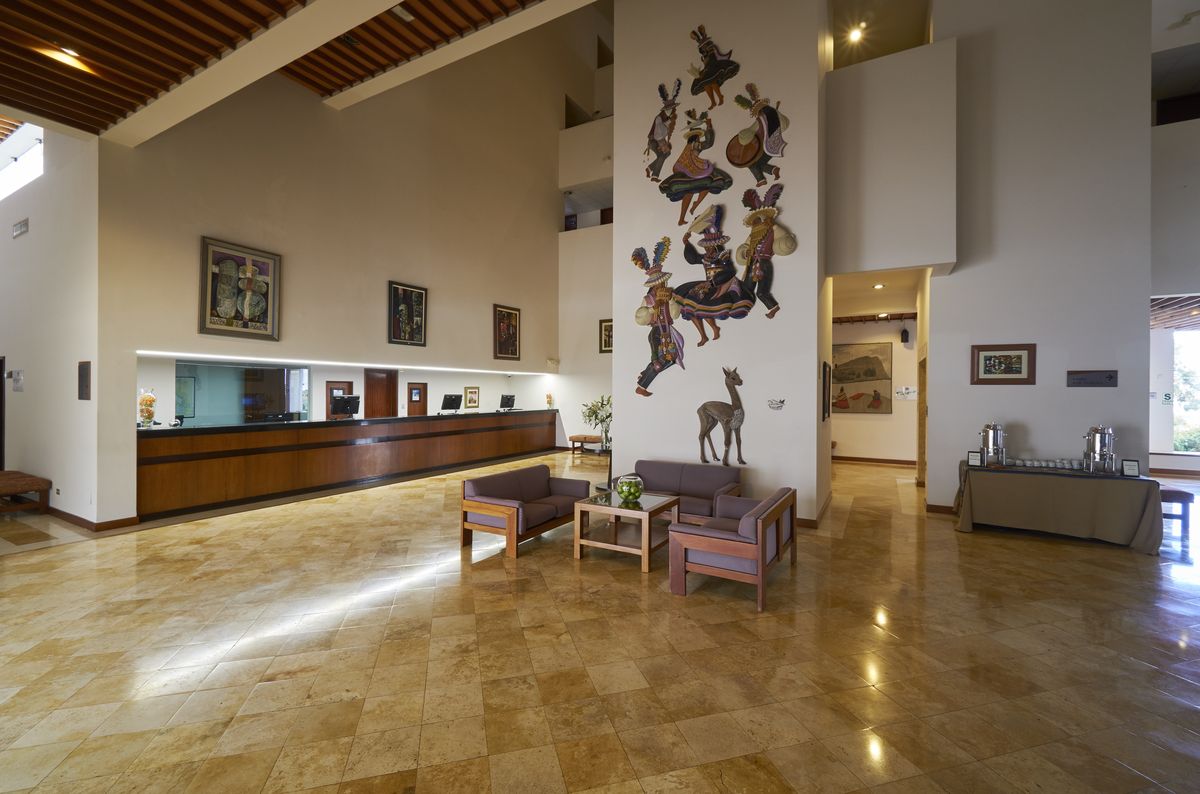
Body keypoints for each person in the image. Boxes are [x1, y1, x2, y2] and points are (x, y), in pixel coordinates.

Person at [673, 204, 754, 346]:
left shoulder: (722, 256)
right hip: (708, 285)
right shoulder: (705, 258)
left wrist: (713, 282)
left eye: (710, 247)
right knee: (690, 306)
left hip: (721, 285)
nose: (708, 250)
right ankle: (704, 335)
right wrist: (686, 244)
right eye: (706, 247)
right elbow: (692, 259)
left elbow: (730, 271)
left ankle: (714, 328)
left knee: (703, 306)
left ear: (716, 246)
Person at [659, 110, 733, 226]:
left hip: (693, 170)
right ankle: (684, 215)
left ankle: (694, 206)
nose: (699, 139)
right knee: (697, 187)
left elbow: (708, 143)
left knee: (704, 185)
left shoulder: (696, 146)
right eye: (697, 137)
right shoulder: (691, 146)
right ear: (694, 138)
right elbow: (687, 159)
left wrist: (709, 127)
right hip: (684, 170)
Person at [632, 238, 685, 396]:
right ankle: (641, 387)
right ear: (653, 286)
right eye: (657, 285)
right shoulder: (648, 300)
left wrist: (672, 301)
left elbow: (675, 314)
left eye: (662, 283)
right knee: (657, 363)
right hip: (656, 332)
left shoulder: (670, 297)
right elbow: (640, 318)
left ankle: (645, 374)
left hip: (668, 332)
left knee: (672, 359)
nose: (660, 287)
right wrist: (652, 309)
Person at [737, 185, 796, 318]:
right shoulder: (753, 235)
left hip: (764, 263)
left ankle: (773, 307)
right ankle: (745, 307)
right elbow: (745, 246)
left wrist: (774, 226)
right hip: (752, 263)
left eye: (759, 220)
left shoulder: (772, 230)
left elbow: (784, 237)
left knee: (762, 292)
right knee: (746, 288)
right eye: (756, 221)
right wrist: (745, 253)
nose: (757, 223)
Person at [728, 83, 788, 186]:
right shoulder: (764, 117)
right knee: (753, 163)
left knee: (752, 163)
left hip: (770, 144)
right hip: (768, 144)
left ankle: (765, 176)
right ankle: (771, 171)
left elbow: (750, 133)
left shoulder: (764, 117)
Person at [687, 25, 740, 109]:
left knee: (711, 80)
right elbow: (706, 61)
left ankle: (720, 96)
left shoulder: (710, 49)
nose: (703, 49)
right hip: (708, 68)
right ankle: (713, 101)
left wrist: (706, 59)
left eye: (704, 47)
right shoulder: (704, 53)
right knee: (705, 83)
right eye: (702, 48)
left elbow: (711, 58)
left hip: (713, 65)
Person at [645, 79, 680, 182]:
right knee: (664, 154)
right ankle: (654, 174)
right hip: (653, 141)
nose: (671, 111)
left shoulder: (665, 119)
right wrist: (663, 145)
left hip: (658, 141)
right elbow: (658, 135)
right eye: (670, 109)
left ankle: (650, 169)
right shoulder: (659, 118)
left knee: (666, 154)